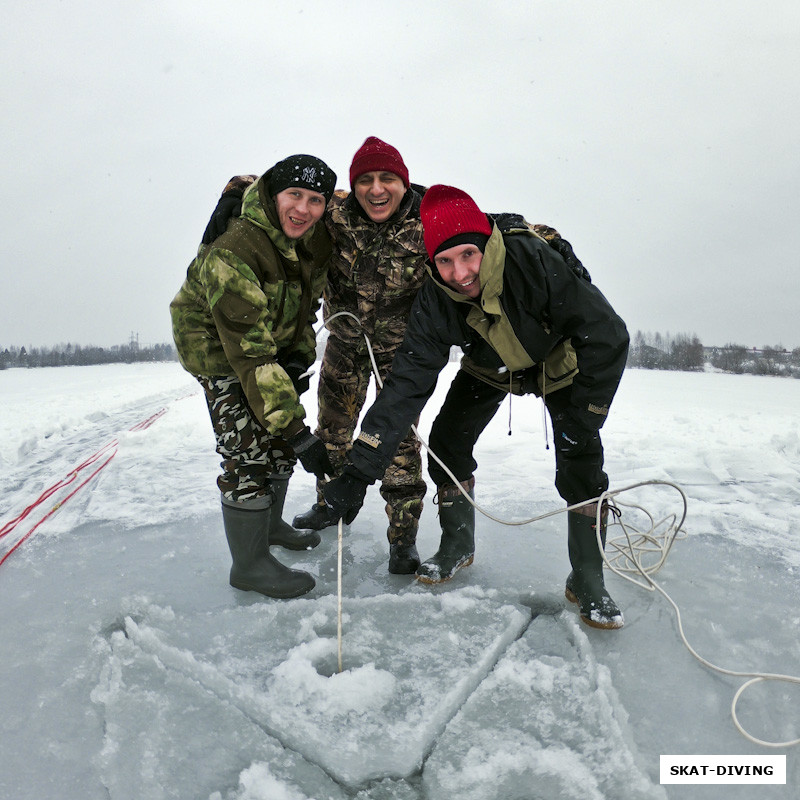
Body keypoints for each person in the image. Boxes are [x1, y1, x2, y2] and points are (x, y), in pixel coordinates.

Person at [322, 184, 630, 629]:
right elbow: (406, 385)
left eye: (468, 255)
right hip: (491, 365)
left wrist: (586, 416)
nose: (459, 273)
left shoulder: (534, 262)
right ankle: (456, 546)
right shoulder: (434, 300)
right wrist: (358, 470)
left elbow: (607, 335)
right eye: (444, 262)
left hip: (558, 364)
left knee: (580, 461)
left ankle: (587, 578)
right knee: (446, 443)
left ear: (486, 244)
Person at [205, 138, 431, 575]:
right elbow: (279, 183)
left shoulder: (426, 220)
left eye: (388, 179)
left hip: (397, 358)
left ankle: (403, 539)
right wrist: (232, 193)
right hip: (345, 346)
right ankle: (330, 505)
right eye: (365, 180)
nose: (376, 189)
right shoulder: (336, 211)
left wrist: (542, 239)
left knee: (398, 443)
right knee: (331, 429)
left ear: (404, 182)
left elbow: (485, 226)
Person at [170, 154, 337, 599]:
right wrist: (300, 433)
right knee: (247, 450)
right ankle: (248, 565)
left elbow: (304, 310)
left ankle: (271, 527)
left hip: (271, 344)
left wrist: (299, 359)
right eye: (294, 195)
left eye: (315, 199)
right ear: (272, 194)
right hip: (221, 351)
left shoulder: (315, 241)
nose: (303, 209)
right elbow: (248, 353)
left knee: (278, 441)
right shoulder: (236, 249)